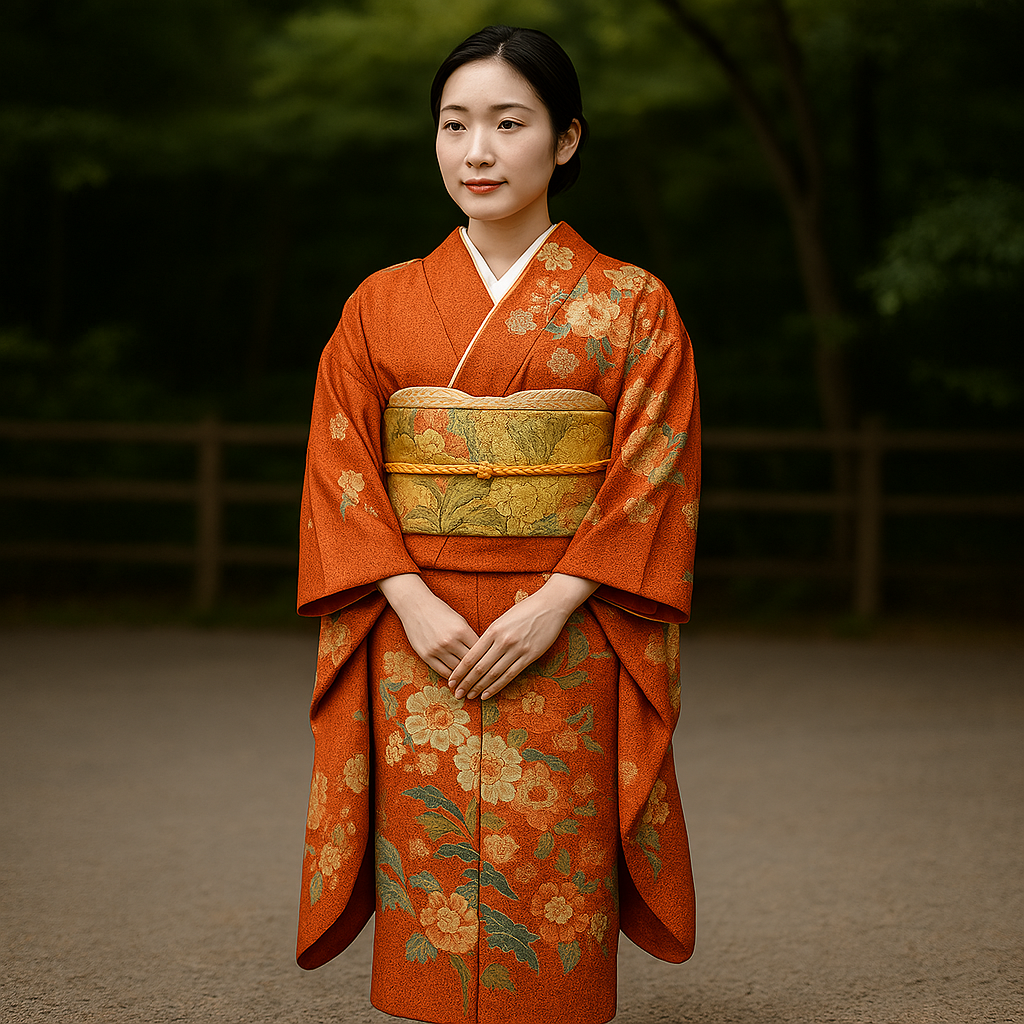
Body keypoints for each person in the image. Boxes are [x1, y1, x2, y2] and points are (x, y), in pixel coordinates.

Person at [295, 24, 700, 1024]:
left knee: (550, 845)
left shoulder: (631, 305)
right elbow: (339, 464)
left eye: (507, 123)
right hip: (413, 626)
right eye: (454, 125)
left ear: (565, 140)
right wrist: (406, 598)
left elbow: (655, 468)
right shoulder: (377, 305)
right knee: (427, 841)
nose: (476, 151)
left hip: (568, 626)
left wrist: (554, 603)